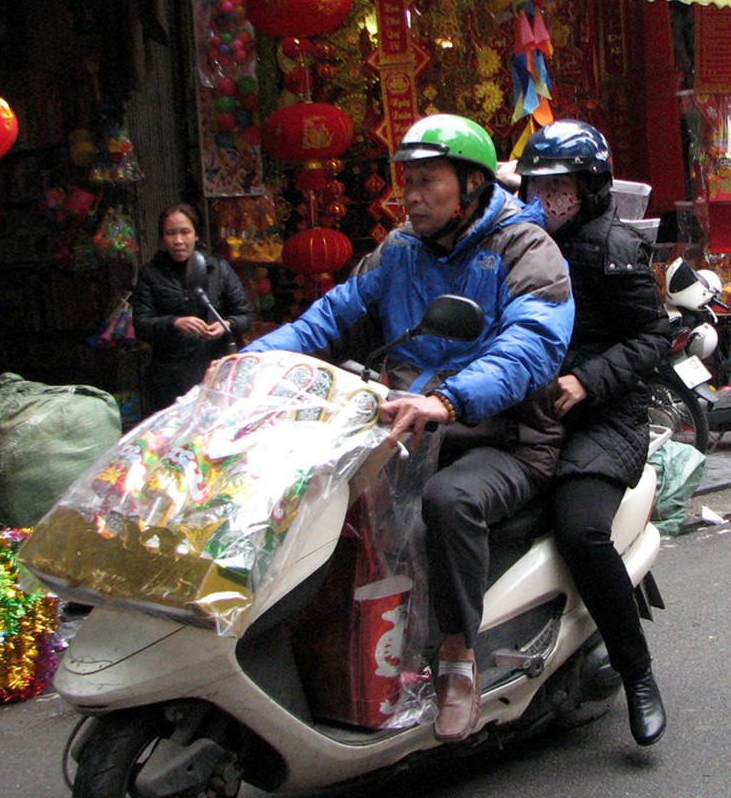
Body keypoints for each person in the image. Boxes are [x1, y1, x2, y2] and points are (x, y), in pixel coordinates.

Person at [245, 114, 574, 742]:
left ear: (472, 184)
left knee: (447, 503)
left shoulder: (528, 249)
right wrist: (252, 362)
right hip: (405, 428)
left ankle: (456, 659)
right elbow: (329, 316)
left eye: (428, 182)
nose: (412, 197)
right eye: (407, 183)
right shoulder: (399, 251)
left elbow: (533, 343)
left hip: (506, 437)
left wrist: (449, 400)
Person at [516, 119, 671, 746]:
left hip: (607, 419)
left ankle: (636, 674)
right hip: (529, 414)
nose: (551, 197)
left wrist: (587, 380)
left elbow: (655, 336)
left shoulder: (616, 247)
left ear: (591, 185)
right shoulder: (520, 241)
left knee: (580, 529)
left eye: (563, 186)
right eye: (541, 185)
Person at [132, 203, 255, 413]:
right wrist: (175, 323)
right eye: (171, 233)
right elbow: (141, 324)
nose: (178, 241)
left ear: (196, 235)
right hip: (169, 379)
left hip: (214, 374)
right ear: (163, 237)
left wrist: (226, 325)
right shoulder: (151, 274)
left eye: (185, 232)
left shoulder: (218, 270)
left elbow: (245, 315)